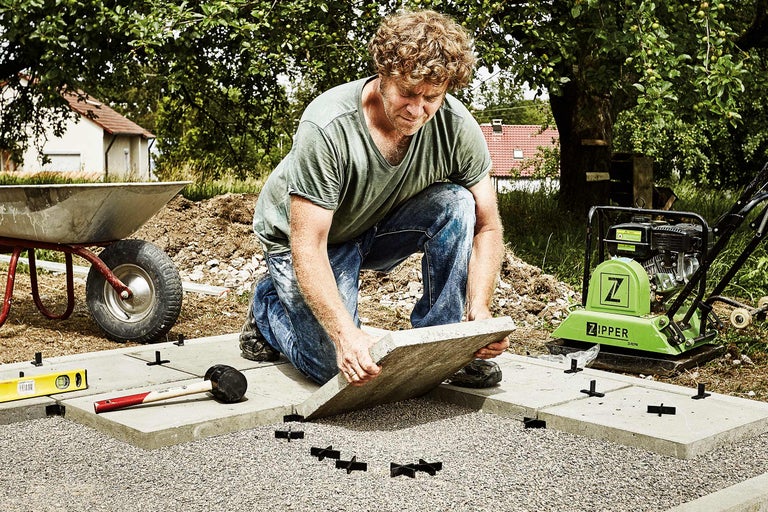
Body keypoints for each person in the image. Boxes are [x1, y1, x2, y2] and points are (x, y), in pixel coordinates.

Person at [240, 9, 510, 388]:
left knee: (458, 204)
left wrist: (479, 310)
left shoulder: (456, 127)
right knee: (335, 368)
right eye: (407, 93)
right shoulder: (328, 126)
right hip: (307, 239)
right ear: (383, 75)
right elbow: (308, 242)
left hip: (373, 222)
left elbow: (487, 225)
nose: (417, 110)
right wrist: (345, 335)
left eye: (431, 97)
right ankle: (269, 306)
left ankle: (443, 340)